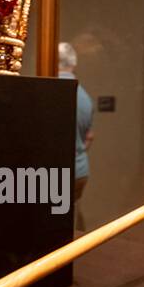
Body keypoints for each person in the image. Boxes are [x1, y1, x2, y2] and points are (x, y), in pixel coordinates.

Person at [57, 41, 94, 229]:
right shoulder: (85, 96)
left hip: (57, 172)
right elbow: (89, 138)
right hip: (80, 169)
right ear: (74, 64)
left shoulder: (53, 93)